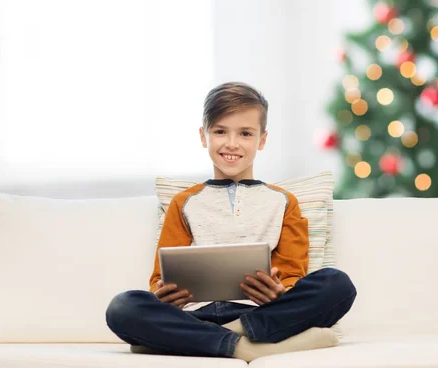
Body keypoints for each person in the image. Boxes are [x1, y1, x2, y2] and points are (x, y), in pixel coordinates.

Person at [105, 82, 357, 362]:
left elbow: (291, 276)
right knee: (123, 307)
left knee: (337, 284)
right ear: (204, 136)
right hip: (194, 314)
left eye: (245, 133)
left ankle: (202, 339)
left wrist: (279, 292)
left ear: (262, 140)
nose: (232, 143)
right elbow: (159, 280)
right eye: (220, 131)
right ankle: (245, 347)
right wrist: (164, 294)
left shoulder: (284, 202)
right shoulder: (184, 202)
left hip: (258, 314)